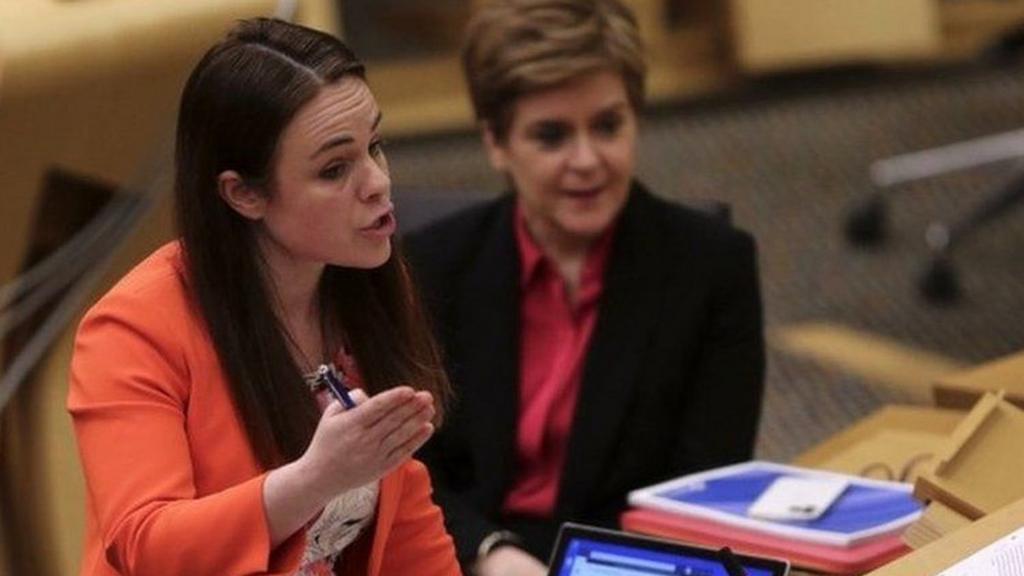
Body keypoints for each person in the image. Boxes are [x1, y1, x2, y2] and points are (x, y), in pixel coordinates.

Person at [68, 18, 459, 576]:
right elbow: (145, 546)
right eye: (334, 169)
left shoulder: (367, 282)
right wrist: (315, 479)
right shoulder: (133, 328)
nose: (376, 182)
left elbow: (403, 516)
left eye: (375, 145)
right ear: (244, 194)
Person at [404, 1, 765, 574]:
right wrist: (490, 553)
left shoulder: (712, 266)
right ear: (497, 144)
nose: (587, 160)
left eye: (607, 125)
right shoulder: (429, 267)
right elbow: (410, 467)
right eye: (551, 136)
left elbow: (702, 489)